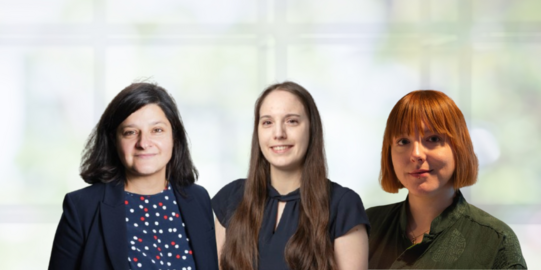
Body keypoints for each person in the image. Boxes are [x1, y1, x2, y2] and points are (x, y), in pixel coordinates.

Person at [48, 82, 218, 270]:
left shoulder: (198, 199)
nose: (144, 143)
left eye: (157, 130)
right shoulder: (82, 207)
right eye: (130, 132)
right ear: (114, 140)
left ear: (175, 137)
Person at [212, 81, 370, 270]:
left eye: (292, 121)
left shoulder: (343, 205)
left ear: (312, 129)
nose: (278, 133)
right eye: (267, 122)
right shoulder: (232, 197)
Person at [367, 90, 527, 269]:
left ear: (459, 148)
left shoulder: (496, 241)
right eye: (403, 141)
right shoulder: (367, 226)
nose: (416, 154)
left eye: (433, 139)